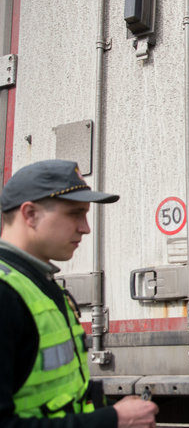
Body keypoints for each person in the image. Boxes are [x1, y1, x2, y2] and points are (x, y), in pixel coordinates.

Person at [0, 160, 159, 427]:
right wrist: (111, 420)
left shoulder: (39, 284)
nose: (85, 228)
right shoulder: (6, 294)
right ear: (30, 214)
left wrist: (105, 408)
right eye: (75, 213)